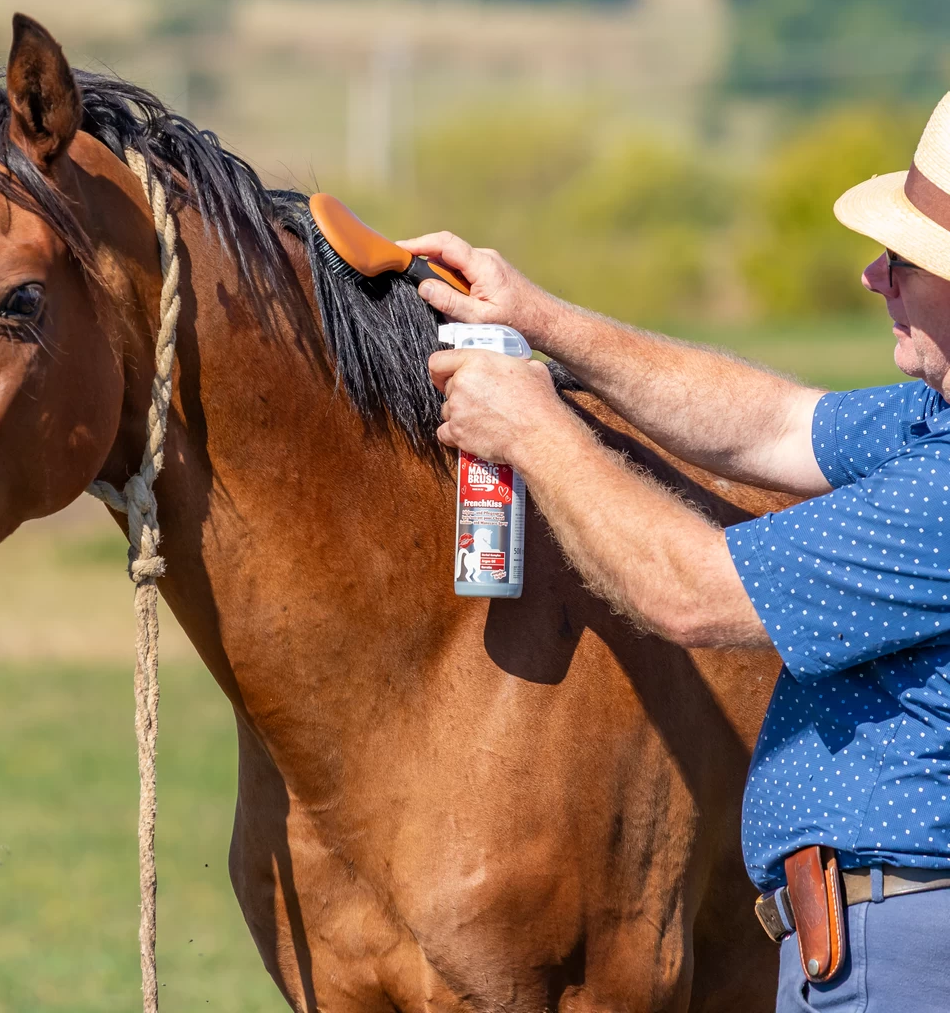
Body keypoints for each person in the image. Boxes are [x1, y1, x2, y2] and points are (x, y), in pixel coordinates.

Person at [400, 91, 950, 1011]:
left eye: (906, 256)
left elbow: (691, 592)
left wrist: (537, 433)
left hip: (905, 953)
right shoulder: (930, 424)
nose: (873, 275)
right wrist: (539, 317)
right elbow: (769, 423)